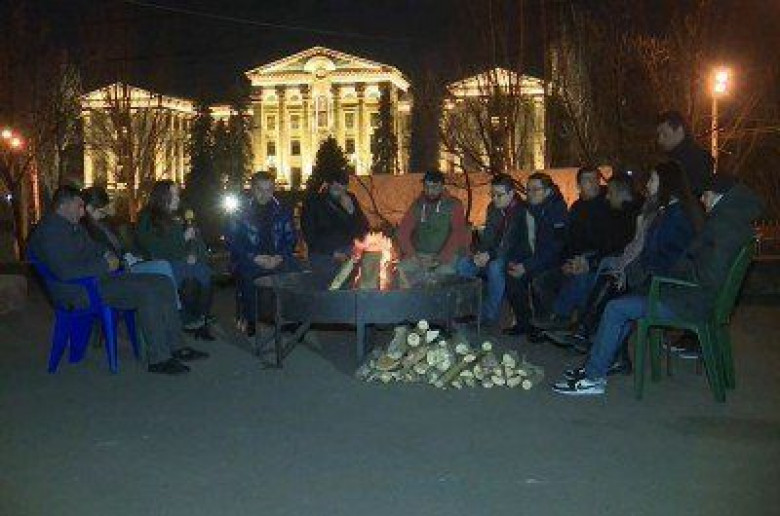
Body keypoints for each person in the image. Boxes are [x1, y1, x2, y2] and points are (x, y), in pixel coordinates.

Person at [552, 173, 762, 396]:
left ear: (720, 196)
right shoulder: (731, 222)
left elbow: (708, 275)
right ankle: (599, 363)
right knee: (624, 301)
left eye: (706, 195)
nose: (702, 200)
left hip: (689, 301)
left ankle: (593, 377)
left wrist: (670, 279)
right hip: (691, 296)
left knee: (616, 308)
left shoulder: (723, 227)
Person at [28, 185, 208, 375]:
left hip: (98, 280)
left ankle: (177, 346)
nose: (82, 212)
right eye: (79, 206)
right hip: (80, 291)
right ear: (64, 205)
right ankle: (159, 358)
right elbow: (65, 272)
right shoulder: (50, 232)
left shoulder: (71, 227)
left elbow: (96, 248)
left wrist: (107, 254)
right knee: (147, 290)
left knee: (162, 281)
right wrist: (105, 265)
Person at [545, 161, 703, 358]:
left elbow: (661, 256)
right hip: (653, 275)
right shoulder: (665, 210)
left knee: (609, 280)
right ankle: (587, 333)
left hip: (664, 284)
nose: (647, 185)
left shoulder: (674, 215)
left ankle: (586, 332)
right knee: (607, 274)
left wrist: (627, 270)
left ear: (666, 183)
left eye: (652, 180)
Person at [225, 171, 300, 337]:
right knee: (247, 274)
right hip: (250, 257)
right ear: (252, 188)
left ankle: (291, 317)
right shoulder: (240, 211)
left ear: (273, 189)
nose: (265, 194)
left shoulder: (283, 210)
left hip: (277, 257)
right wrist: (255, 257)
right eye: (260, 189)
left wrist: (279, 256)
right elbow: (232, 240)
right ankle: (251, 318)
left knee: (295, 273)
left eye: (269, 189)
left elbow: (291, 238)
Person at [136, 180, 214, 339]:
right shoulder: (148, 217)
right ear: (163, 197)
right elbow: (154, 248)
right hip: (161, 265)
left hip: (180, 261)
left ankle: (201, 318)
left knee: (204, 272)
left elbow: (194, 242)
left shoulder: (179, 216)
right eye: (174, 195)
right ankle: (189, 319)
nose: (178, 198)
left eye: (178, 195)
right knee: (191, 276)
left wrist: (193, 253)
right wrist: (183, 238)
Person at [80, 186, 181, 309]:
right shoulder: (88, 231)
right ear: (90, 208)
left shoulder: (105, 225)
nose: (108, 208)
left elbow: (124, 246)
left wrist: (135, 255)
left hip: (129, 262)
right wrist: (125, 259)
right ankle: (175, 310)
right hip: (119, 271)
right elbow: (104, 253)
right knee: (162, 267)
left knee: (163, 269)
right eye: (104, 207)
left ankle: (171, 310)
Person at [456, 174, 530, 326]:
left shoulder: (521, 211)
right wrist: (480, 253)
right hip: (492, 253)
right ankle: (467, 310)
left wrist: (489, 255)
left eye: (499, 195)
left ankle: (489, 315)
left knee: (495, 268)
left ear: (511, 193)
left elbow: (509, 242)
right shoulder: (493, 208)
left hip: (513, 256)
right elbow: (488, 235)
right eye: (492, 194)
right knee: (464, 264)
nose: (495, 199)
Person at [504, 172, 567, 335]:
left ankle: (543, 325)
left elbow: (555, 248)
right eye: (528, 190)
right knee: (511, 274)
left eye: (535, 189)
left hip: (555, 262)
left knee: (539, 278)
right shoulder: (526, 209)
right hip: (533, 258)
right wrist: (514, 260)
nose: (530, 193)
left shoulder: (557, 210)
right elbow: (517, 239)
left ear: (548, 191)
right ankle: (523, 322)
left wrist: (526, 266)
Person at [397, 170, 468, 287]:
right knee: (402, 269)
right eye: (427, 187)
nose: (430, 191)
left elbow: (458, 234)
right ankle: (409, 298)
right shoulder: (417, 206)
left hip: (446, 256)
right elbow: (403, 232)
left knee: (443, 274)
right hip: (420, 256)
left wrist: (440, 259)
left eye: (434, 187)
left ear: (442, 186)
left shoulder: (454, 205)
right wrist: (414, 257)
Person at [301, 169, 368, 278]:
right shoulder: (314, 202)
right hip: (324, 255)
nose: (340, 193)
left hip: (348, 252)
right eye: (337, 189)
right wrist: (332, 253)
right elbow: (310, 236)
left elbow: (363, 229)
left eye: (344, 189)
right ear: (328, 185)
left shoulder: (350, 199)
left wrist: (352, 212)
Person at [656, 110, 714, 196]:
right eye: (658, 135)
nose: (659, 140)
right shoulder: (676, 159)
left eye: (664, 134)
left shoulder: (693, 159)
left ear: (679, 130)